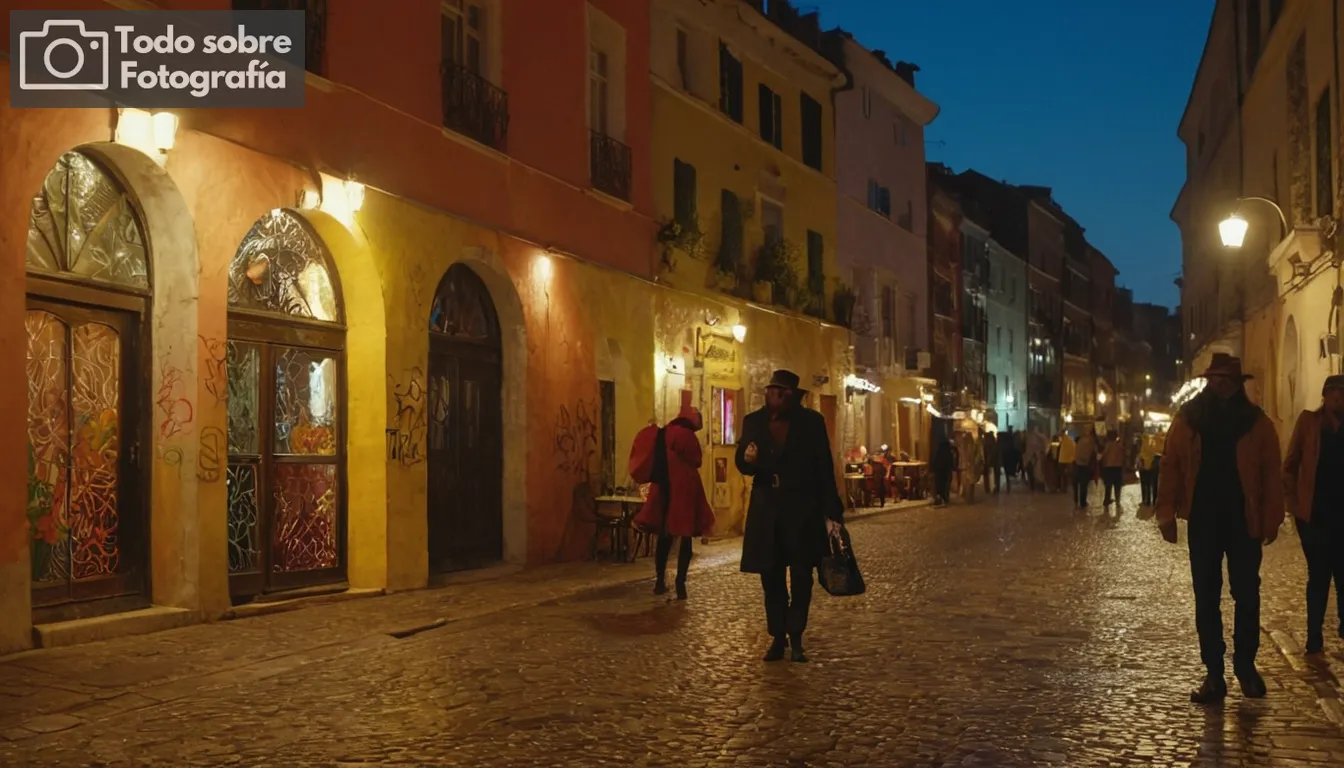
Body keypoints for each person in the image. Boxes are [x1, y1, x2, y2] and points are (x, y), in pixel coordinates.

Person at [1157, 354, 1283, 704]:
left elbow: (1270, 473)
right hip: (1204, 519)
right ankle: (1214, 672)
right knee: (1206, 597)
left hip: (1244, 520)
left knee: (1247, 594)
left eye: (1227, 379)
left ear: (1237, 383)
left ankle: (1245, 665)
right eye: (1215, 378)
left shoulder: (1256, 423)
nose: (1221, 384)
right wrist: (1166, 513)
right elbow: (1171, 466)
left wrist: (1273, 516)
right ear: (1209, 381)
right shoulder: (1189, 419)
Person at [736, 370, 844, 663]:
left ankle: (796, 636)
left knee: (800, 577)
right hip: (767, 509)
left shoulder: (810, 423)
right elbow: (742, 461)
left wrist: (832, 511)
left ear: (793, 395)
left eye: (782, 391)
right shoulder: (754, 422)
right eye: (772, 390)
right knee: (770, 577)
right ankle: (777, 636)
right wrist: (748, 460)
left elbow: (823, 467)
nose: (776, 396)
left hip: (802, 509)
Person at [1283, 375, 1344, 654]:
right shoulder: (1309, 423)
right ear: (1325, 396)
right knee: (1319, 574)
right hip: (1315, 515)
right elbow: (1291, 464)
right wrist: (1294, 504)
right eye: (1335, 394)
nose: (1339, 400)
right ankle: (1314, 634)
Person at [633, 405, 716, 600]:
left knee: (664, 537)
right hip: (684, 491)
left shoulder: (664, 433)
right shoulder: (687, 436)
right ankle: (681, 583)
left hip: (663, 489)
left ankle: (660, 580)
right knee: (685, 537)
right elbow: (696, 460)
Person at [1073, 427, 1097, 509]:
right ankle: (1083, 503)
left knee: (1076, 483)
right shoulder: (1091, 441)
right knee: (1083, 485)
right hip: (1085, 465)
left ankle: (1076, 499)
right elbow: (1093, 453)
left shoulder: (1081, 440)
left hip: (1077, 463)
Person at [1101, 429, 1125, 507]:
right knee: (1117, 485)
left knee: (1108, 485)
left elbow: (1104, 455)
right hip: (1118, 467)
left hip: (1109, 467)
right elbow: (1122, 456)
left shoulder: (1108, 445)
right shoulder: (1119, 445)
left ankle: (1107, 499)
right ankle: (1118, 501)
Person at [1138, 433, 1161, 506]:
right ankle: (1154, 500)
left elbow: (1141, 455)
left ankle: (1147, 500)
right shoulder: (1157, 444)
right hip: (1153, 467)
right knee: (1154, 484)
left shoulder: (1144, 445)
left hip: (1145, 467)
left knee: (1146, 484)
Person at [931, 437, 955, 507]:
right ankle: (944, 498)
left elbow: (935, 461)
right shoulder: (948, 452)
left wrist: (934, 469)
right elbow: (951, 461)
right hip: (946, 471)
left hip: (938, 471)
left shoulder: (938, 452)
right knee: (945, 485)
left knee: (938, 485)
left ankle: (939, 498)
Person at [1057, 428, 1076, 495]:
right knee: (1065, 475)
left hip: (1062, 460)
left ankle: (1061, 487)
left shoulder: (1063, 439)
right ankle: (1065, 488)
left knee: (1061, 474)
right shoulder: (1070, 440)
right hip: (1068, 460)